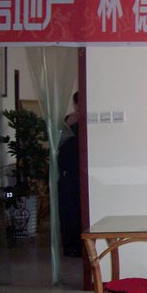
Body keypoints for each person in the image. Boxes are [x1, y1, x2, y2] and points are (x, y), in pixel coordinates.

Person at [57, 91, 82, 257]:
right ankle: (70, 246)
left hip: (82, 172)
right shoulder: (68, 120)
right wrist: (68, 124)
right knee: (69, 210)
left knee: (79, 210)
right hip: (68, 172)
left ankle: (81, 246)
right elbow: (55, 143)